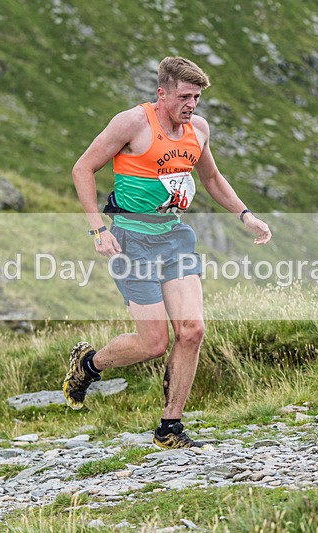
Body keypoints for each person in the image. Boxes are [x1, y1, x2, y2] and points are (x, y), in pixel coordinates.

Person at [63, 56, 272, 449]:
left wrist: (246, 215)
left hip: (175, 237)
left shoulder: (199, 130)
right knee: (153, 343)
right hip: (132, 240)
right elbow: (82, 168)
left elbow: (210, 177)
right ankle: (89, 364)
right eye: (184, 97)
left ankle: (169, 428)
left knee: (192, 331)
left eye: (196, 97)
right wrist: (97, 229)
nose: (191, 105)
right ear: (162, 93)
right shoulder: (132, 122)